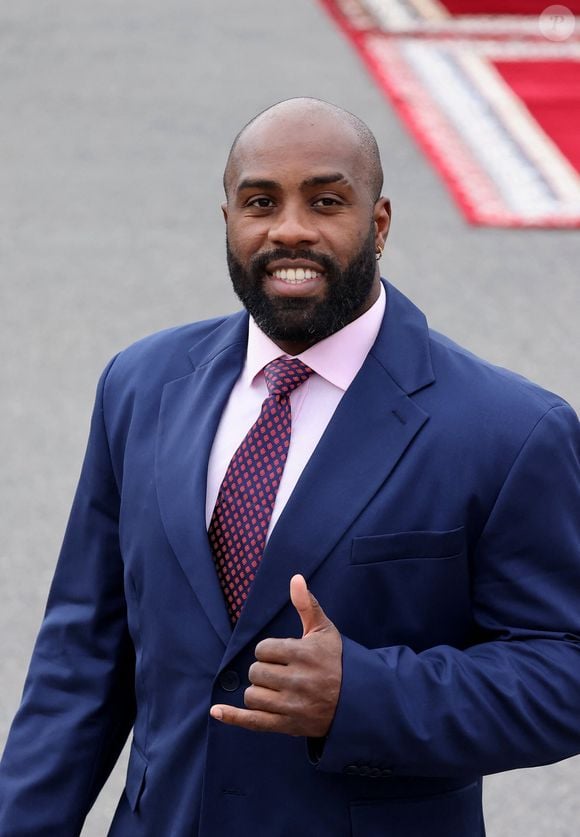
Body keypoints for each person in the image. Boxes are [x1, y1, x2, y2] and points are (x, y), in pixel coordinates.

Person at [0, 97, 579, 837]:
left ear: (380, 223)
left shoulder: (511, 429)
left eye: (327, 201)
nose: (291, 229)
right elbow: (81, 654)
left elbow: (563, 672)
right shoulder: (140, 385)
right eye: (261, 202)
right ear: (229, 223)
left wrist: (365, 696)